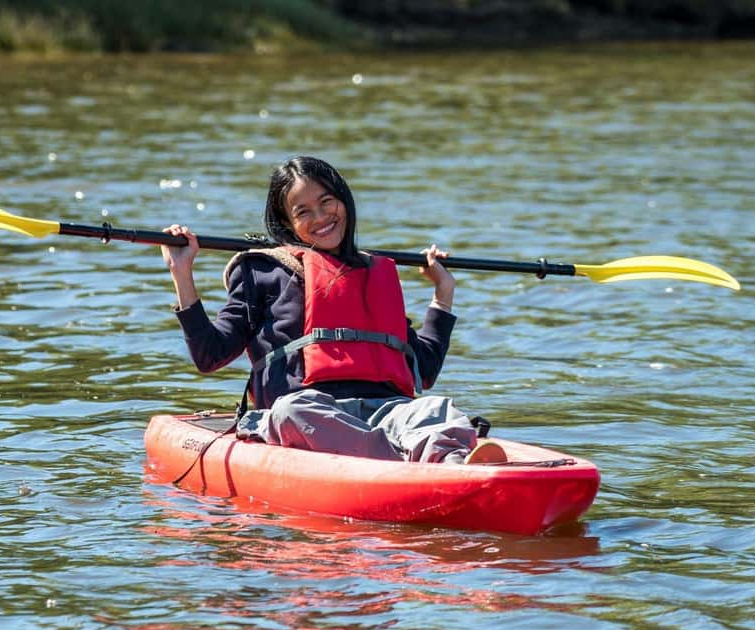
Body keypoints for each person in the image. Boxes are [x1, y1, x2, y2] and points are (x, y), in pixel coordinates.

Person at [161, 156, 504, 464]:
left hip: (386, 411)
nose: (321, 218)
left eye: (327, 202)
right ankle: (416, 458)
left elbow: (423, 370)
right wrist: (182, 273)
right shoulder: (263, 271)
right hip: (311, 414)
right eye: (303, 212)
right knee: (292, 411)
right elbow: (210, 355)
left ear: (344, 201)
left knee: (437, 408)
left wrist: (443, 293)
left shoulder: (371, 273)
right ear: (286, 222)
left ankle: (453, 467)